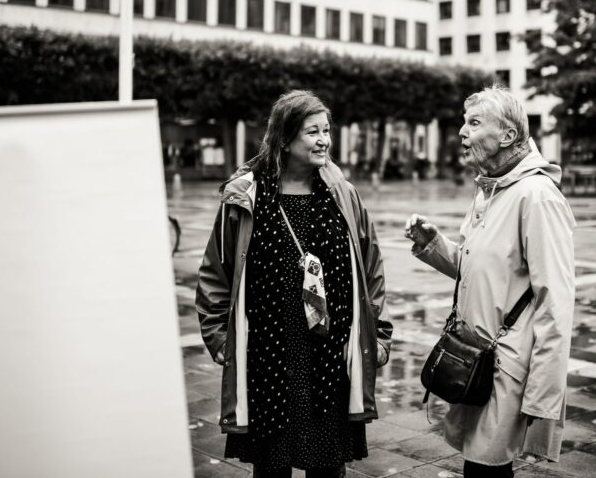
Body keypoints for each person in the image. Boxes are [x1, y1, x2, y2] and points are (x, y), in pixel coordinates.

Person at [195, 90, 392, 478]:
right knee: (271, 467)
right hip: (269, 357)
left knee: (329, 466)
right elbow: (216, 270)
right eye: (312, 132)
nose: (324, 140)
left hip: (329, 357)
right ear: (284, 138)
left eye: (327, 130)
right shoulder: (248, 195)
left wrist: (379, 334)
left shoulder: (341, 193)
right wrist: (219, 338)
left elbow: (371, 268)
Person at [404, 86, 576, 476]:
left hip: (506, 367)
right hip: (476, 359)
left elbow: (556, 303)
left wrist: (542, 399)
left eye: (474, 123)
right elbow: (484, 272)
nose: (462, 133)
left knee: (487, 469)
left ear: (508, 135)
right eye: (464, 123)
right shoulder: (491, 189)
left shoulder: (537, 197)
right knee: (479, 467)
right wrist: (434, 245)